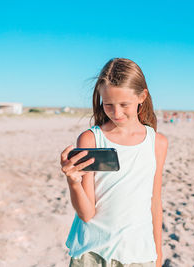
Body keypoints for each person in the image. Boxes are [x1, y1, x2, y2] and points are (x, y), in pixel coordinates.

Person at [60, 58, 168, 267]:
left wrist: (158, 251)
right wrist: (73, 182)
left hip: (139, 254)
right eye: (108, 104)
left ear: (142, 96)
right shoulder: (91, 139)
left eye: (124, 104)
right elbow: (87, 213)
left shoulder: (157, 143)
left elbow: (155, 202)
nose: (116, 113)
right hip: (91, 255)